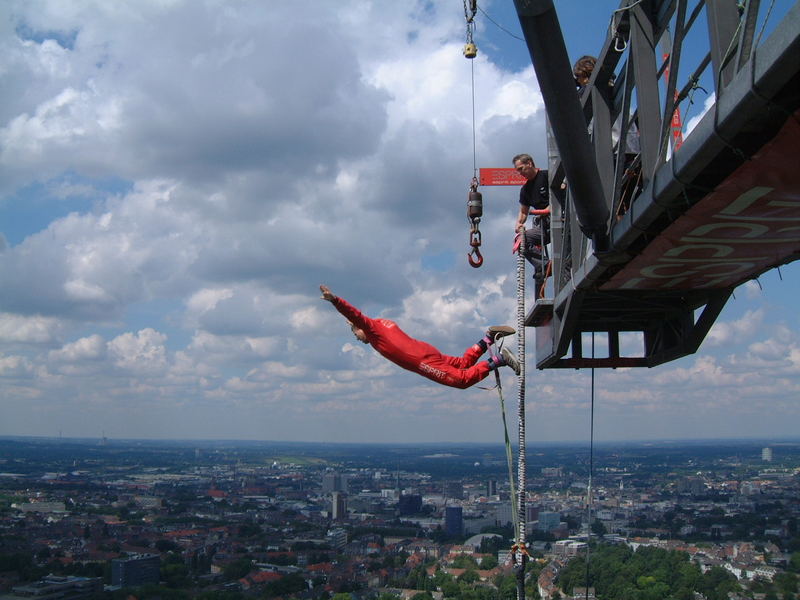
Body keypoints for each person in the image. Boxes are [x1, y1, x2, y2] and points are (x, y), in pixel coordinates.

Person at [320, 285, 520, 389]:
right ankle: (487, 340)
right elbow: (357, 319)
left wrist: (335, 301)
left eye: (356, 335)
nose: (358, 339)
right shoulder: (382, 323)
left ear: (360, 328)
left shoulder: (372, 329)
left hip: (420, 361)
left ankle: (499, 359)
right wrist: (354, 324)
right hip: (424, 350)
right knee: (461, 364)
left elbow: (355, 315)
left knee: (461, 380)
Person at [513, 153, 550, 298]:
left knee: (567, 259)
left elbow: (566, 193)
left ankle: (562, 271)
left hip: (563, 223)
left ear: (529, 163)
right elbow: (523, 212)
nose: (520, 173)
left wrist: (552, 208)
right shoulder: (526, 190)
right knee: (521, 240)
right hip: (544, 226)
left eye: (521, 169)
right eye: (518, 171)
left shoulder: (547, 176)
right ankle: (545, 265)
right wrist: (519, 224)